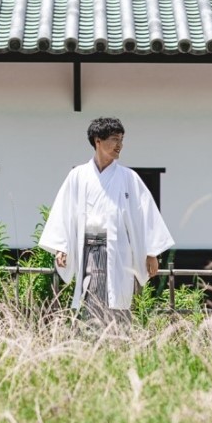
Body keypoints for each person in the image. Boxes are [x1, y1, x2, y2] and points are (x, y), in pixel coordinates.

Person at [39, 117, 174, 327]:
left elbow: (145, 213)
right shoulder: (78, 176)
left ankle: (113, 343)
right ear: (97, 141)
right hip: (87, 249)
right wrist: (61, 247)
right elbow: (63, 212)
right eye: (114, 139)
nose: (119, 145)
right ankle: (99, 342)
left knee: (116, 297)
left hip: (118, 249)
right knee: (92, 296)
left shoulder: (128, 177)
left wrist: (151, 252)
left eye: (121, 139)